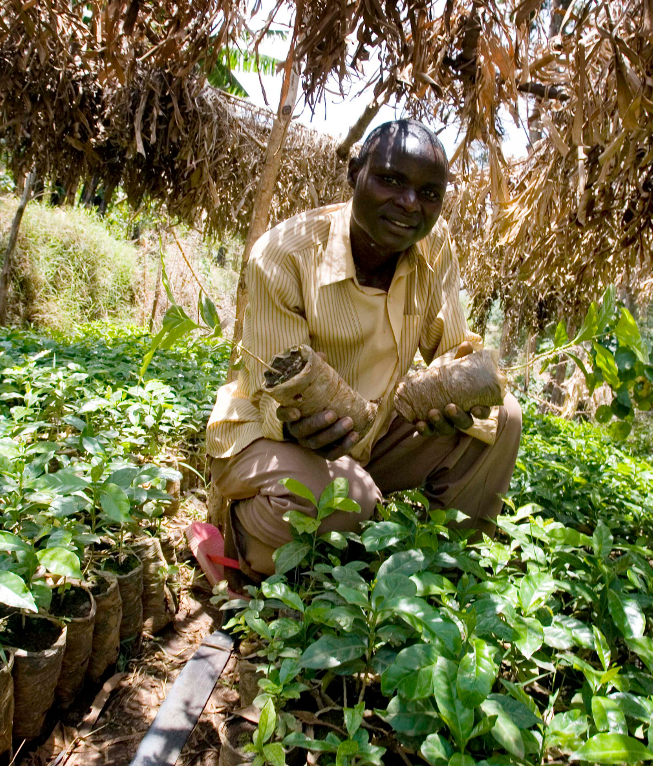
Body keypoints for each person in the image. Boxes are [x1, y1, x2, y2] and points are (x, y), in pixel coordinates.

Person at [205, 119, 523, 579]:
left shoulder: (434, 246)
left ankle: (448, 568)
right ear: (356, 172)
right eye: (391, 180)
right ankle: (242, 524)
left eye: (429, 193)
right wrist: (304, 431)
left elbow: (452, 349)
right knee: (348, 501)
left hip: (371, 432)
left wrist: (456, 396)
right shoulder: (284, 255)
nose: (410, 204)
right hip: (271, 436)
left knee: (501, 416)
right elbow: (270, 396)